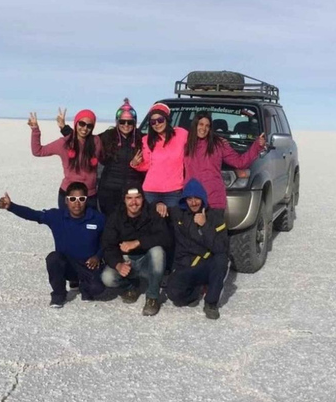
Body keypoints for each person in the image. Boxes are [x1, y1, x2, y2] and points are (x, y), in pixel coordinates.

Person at [0, 182, 106, 308]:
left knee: (98, 288)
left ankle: (85, 288)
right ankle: (59, 295)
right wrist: (11, 206)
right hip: (67, 265)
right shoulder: (56, 216)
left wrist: (98, 256)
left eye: (81, 199)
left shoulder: (98, 218)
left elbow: (107, 241)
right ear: (66, 200)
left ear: (86, 200)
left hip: (88, 266)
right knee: (53, 258)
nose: (77, 203)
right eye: (72, 199)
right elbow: (34, 214)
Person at [59, 99, 145, 215]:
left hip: (132, 191)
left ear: (134, 123)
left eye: (129, 122)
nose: (126, 125)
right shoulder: (107, 136)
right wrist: (65, 129)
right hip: (109, 191)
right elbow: (85, 140)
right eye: (122, 122)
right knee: (109, 224)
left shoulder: (142, 139)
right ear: (117, 122)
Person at [160, 178, 229, 320]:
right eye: (189, 199)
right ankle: (195, 291)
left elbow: (221, 248)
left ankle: (211, 302)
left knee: (221, 259)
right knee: (173, 294)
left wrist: (204, 226)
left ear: (202, 198)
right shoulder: (178, 214)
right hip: (187, 264)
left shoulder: (215, 216)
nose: (193, 202)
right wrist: (158, 204)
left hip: (207, 264)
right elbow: (156, 211)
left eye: (196, 198)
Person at [100, 182, 172, 316]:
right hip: (127, 261)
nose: (134, 202)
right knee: (107, 278)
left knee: (158, 251)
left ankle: (152, 297)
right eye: (129, 198)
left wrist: (138, 243)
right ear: (124, 200)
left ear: (143, 198)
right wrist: (118, 264)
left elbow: (165, 238)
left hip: (147, 262)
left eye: (138, 197)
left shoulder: (152, 212)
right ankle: (131, 286)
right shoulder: (116, 217)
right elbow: (107, 245)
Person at [183, 111, 267, 209]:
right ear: (195, 125)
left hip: (213, 201)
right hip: (192, 201)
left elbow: (240, 162)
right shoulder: (184, 143)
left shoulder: (218, 144)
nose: (203, 129)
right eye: (201, 124)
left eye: (207, 126)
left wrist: (257, 146)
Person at [28, 109, 103, 209]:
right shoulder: (64, 143)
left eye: (89, 126)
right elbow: (38, 151)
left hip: (90, 196)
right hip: (68, 196)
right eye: (82, 123)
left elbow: (103, 158)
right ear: (76, 123)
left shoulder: (96, 142)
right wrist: (35, 130)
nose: (85, 128)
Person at [130, 103, 188, 208]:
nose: (157, 124)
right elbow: (147, 165)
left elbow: (196, 147)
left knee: (172, 223)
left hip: (174, 191)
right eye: (153, 122)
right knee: (152, 223)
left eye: (160, 120)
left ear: (167, 119)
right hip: (151, 191)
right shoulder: (146, 140)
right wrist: (135, 164)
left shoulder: (181, 134)